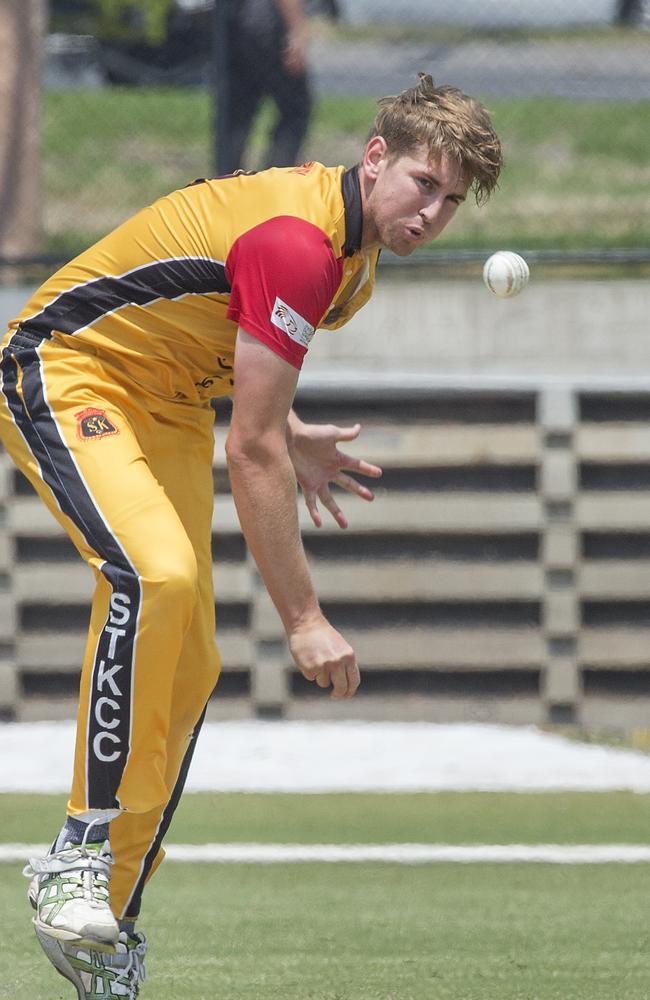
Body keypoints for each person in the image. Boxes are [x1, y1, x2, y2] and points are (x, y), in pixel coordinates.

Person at [1, 73, 502, 999]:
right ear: (376, 156)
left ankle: (101, 923)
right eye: (423, 185)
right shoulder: (305, 246)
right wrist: (304, 617)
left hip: (171, 400)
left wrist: (289, 426)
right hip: (68, 371)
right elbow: (253, 450)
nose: (433, 213)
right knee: (156, 580)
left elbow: (224, 338)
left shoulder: (353, 257)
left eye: (453, 200)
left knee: (190, 662)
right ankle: (76, 853)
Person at [222, 0, 313, 173]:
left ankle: (225, 183)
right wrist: (297, 32)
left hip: (235, 24)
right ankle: (275, 181)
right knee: (295, 110)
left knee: (237, 115)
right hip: (268, 25)